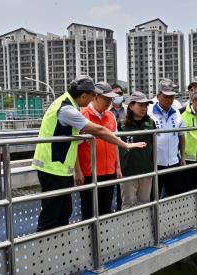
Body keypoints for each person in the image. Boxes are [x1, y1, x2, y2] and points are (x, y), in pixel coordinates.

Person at [32, 75, 145, 231]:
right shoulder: (67, 110)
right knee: (52, 216)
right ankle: (44, 251)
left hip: (60, 168)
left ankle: (58, 249)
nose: (93, 99)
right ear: (84, 95)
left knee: (64, 212)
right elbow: (97, 130)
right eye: (92, 96)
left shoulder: (67, 104)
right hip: (53, 168)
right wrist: (124, 144)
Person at [76, 82, 120, 220]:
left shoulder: (111, 116)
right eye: (106, 98)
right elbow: (74, 146)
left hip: (109, 172)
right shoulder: (82, 116)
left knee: (106, 210)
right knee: (89, 212)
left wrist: (117, 166)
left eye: (110, 99)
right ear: (95, 97)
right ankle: (90, 241)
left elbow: (115, 143)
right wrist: (78, 171)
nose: (109, 102)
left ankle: (104, 240)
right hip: (90, 173)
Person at [149, 79, 186, 198]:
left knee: (175, 197)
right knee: (154, 197)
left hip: (174, 162)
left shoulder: (176, 113)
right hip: (156, 164)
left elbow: (181, 135)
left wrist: (183, 157)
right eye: (166, 96)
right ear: (158, 96)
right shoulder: (149, 114)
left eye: (172, 97)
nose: (169, 100)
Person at [119, 92, 155, 209]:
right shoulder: (122, 124)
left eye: (146, 105)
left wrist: (153, 167)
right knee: (128, 205)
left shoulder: (150, 123)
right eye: (141, 105)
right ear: (131, 106)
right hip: (128, 171)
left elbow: (154, 146)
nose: (144, 108)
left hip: (146, 170)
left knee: (145, 203)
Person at [109, 84, 125, 211]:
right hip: (111, 152)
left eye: (119, 94)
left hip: (125, 152)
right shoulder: (107, 113)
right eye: (114, 94)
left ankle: (121, 209)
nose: (117, 96)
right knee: (110, 184)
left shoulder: (128, 110)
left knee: (123, 184)